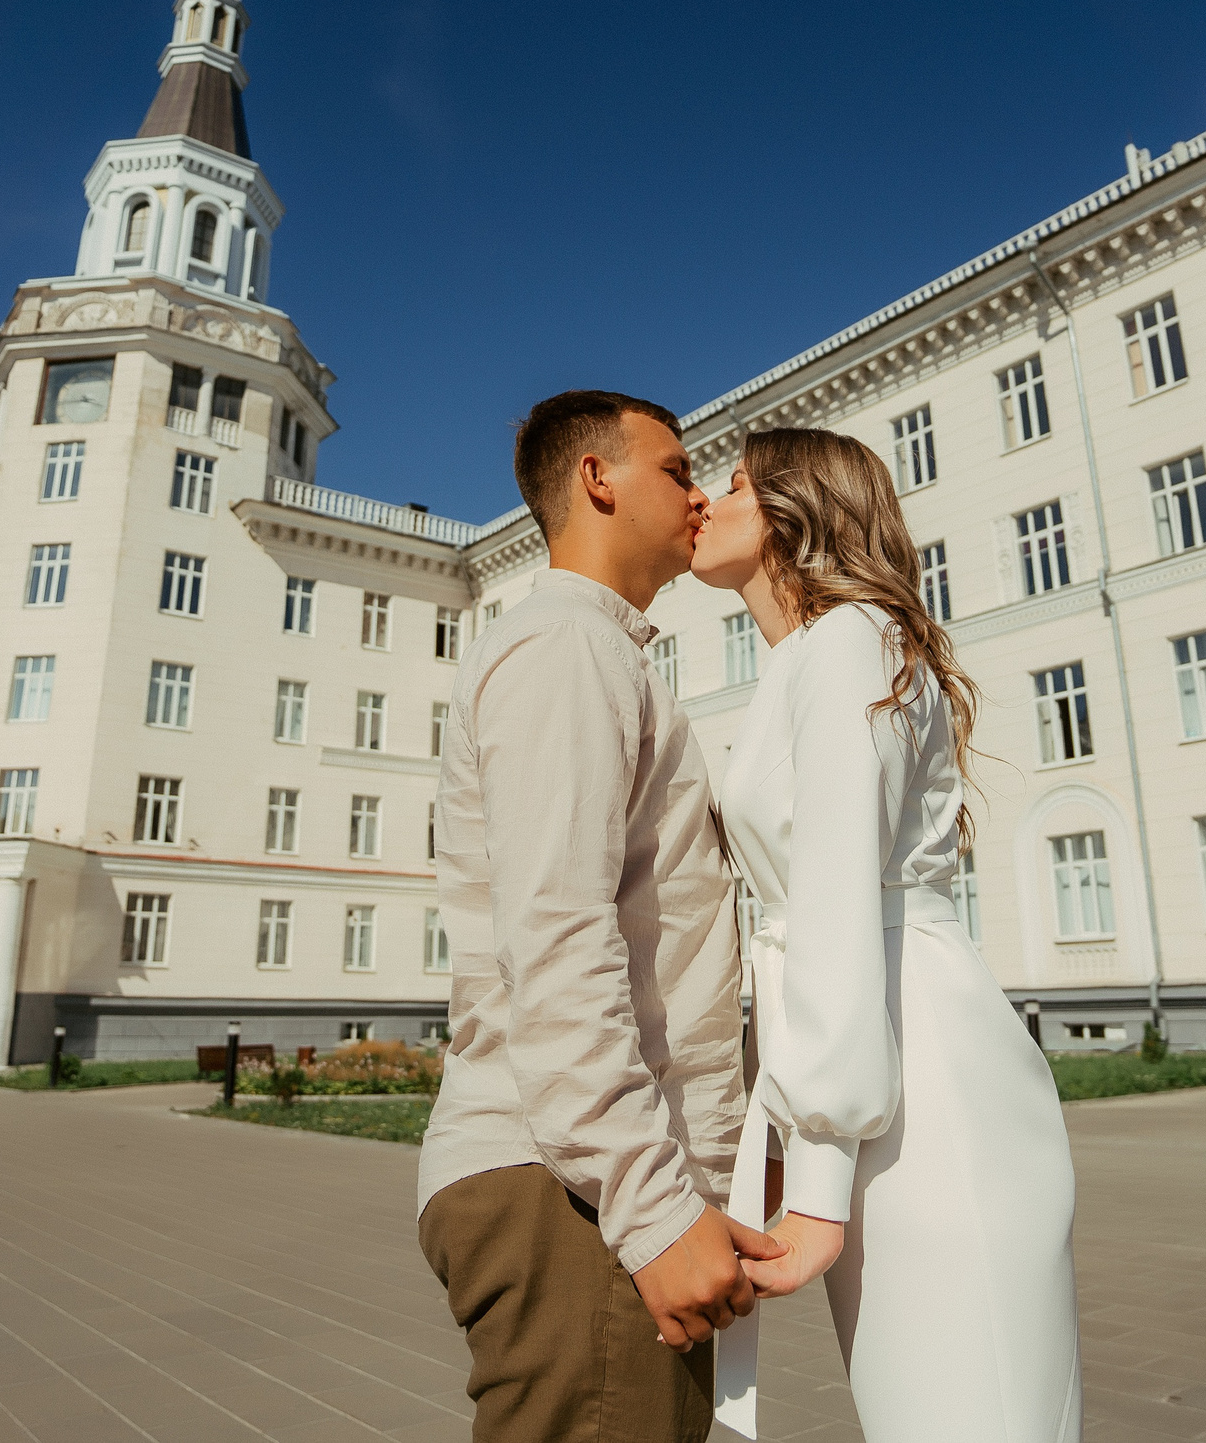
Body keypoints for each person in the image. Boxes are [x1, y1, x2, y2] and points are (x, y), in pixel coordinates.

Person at [694, 426, 1082, 1443]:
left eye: (731, 484)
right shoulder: (809, 658)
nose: (703, 500)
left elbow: (832, 896)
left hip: (922, 1091)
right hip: (888, 1066)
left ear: (792, 511)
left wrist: (815, 1176)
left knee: (963, 1408)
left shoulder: (848, 640)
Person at [419, 389, 784, 1443]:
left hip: (589, 1186)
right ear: (597, 479)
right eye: (676, 469)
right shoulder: (565, 650)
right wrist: (655, 1209)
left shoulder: (600, 653)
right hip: (572, 1193)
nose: (700, 491)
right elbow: (559, 940)